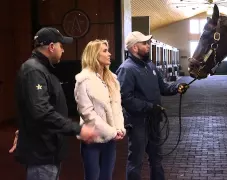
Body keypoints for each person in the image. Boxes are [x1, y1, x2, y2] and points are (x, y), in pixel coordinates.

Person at [12, 27, 97, 180]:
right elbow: (41, 111)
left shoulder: (42, 69)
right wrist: (77, 129)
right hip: (42, 154)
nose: (63, 50)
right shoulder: (34, 71)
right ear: (52, 47)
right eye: (61, 46)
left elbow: (32, 108)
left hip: (48, 152)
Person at [116, 31, 189, 180]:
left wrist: (176, 88)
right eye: (145, 43)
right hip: (138, 124)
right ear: (135, 48)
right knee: (136, 161)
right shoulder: (126, 69)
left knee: (157, 159)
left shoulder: (150, 66)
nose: (148, 45)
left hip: (154, 121)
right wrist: (149, 107)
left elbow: (162, 87)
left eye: (148, 43)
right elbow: (125, 98)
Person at [74, 39, 126, 180]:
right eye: (104, 51)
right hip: (92, 140)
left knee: (107, 177)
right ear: (94, 55)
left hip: (110, 140)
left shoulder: (112, 79)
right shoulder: (83, 80)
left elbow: (116, 107)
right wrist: (111, 132)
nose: (109, 54)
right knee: (93, 177)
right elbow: (88, 114)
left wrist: (119, 128)